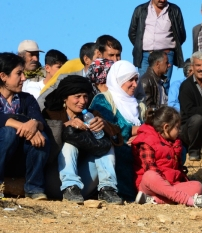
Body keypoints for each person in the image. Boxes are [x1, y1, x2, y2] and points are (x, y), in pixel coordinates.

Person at [42, 75, 123, 205]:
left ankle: (107, 189)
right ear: (65, 98)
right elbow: (44, 134)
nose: (82, 101)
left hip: (84, 182)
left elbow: (117, 138)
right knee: (69, 143)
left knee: (105, 144)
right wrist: (67, 125)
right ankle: (70, 187)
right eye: (77, 96)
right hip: (56, 180)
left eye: (85, 96)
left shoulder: (91, 114)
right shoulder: (51, 113)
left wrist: (104, 125)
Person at [132, 106, 202, 208]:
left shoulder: (174, 142)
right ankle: (190, 201)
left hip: (170, 186)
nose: (179, 131)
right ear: (166, 127)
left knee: (197, 186)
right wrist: (165, 182)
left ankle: (153, 200)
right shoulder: (146, 140)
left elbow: (177, 168)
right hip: (150, 186)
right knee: (150, 176)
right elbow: (150, 167)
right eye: (177, 127)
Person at [89, 60, 145, 201]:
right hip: (115, 149)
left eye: (136, 79)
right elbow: (107, 126)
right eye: (130, 80)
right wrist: (136, 130)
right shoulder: (103, 100)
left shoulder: (138, 105)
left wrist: (140, 135)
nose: (135, 84)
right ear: (118, 80)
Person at [0, 52, 50, 200]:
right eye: (18, 74)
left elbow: (40, 121)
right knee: (8, 133)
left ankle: (34, 187)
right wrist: (18, 124)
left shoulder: (27, 99)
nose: (24, 78)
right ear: (3, 76)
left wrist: (34, 124)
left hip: (18, 158)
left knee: (41, 137)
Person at [128, 0, 186, 94]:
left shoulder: (174, 10)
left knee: (164, 85)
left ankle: (163, 112)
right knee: (143, 86)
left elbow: (181, 35)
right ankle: (145, 111)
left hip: (166, 55)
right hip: (145, 55)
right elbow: (132, 33)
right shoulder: (140, 10)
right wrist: (141, 45)